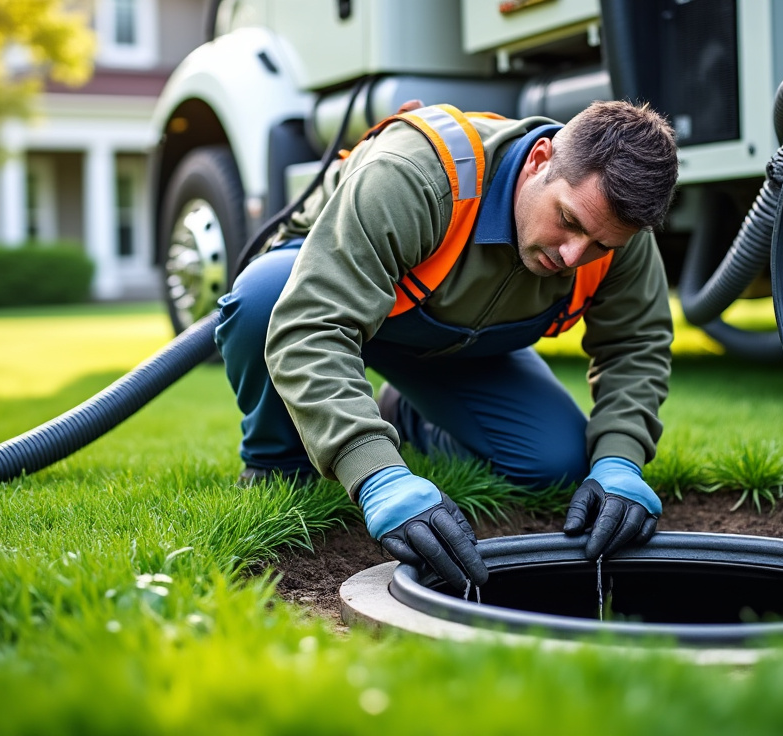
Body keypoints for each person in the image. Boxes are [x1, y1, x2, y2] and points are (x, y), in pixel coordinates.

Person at [215, 99, 678, 589]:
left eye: (600, 246)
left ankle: (404, 415)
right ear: (541, 159)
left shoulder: (613, 229)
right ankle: (278, 464)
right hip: (328, 295)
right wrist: (376, 474)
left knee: (556, 462)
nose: (573, 254)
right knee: (261, 300)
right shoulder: (416, 175)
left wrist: (620, 459)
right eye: (569, 220)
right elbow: (311, 324)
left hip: (456, 345)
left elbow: (636, 344)